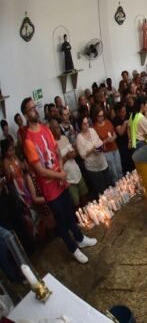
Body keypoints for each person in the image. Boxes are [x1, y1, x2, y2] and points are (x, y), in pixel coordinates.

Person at [20, 97, 96, 264]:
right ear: (25, 114)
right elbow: (40, 170)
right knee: (61, 220)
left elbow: (56, 153)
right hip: (50, 188)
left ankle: (79, 238)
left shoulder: (45, 129)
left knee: (69, 211)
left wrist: (61, 171)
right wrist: (59, 176)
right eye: (31, 109)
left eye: (35, 107)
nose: (35, 111)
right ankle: (73, 249)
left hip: (60, 180)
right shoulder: (28, 141)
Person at [50, 120, 87, 207]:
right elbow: (56, 166)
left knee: (84, 197)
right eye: (55, 128)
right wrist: (66, 157)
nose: (58, 130)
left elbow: (73, 152)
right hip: (68, 179)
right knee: (76, 203)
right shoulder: (52, 145)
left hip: (77, 173)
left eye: (58, 127)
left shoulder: (64, 138)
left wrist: (74, 152)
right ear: (51, 131)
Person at [76, 115, 111, 195]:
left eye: (87, 122)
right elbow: (82, 155)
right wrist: (92, 150)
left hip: (102, 162)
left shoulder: (92, 130)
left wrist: (103, 145)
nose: (87, 125)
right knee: (101, 191)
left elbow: (99, 141)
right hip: (93, 168)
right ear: (80, 125)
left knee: (109, 185)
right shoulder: (79, 138)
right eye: (84, 124)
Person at [91, 107, 121, 182]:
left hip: (115, 148)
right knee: (113, 172)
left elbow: (115, 134)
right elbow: (96, 145)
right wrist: (106, 141)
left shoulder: (108, 122)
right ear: (95, 116)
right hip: (106, 152)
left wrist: (113, 138)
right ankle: (117, 185)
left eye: (102, 115)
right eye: (99, 116)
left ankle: (124, 185)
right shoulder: (94, 128)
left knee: (119, 169)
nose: (101, 118)